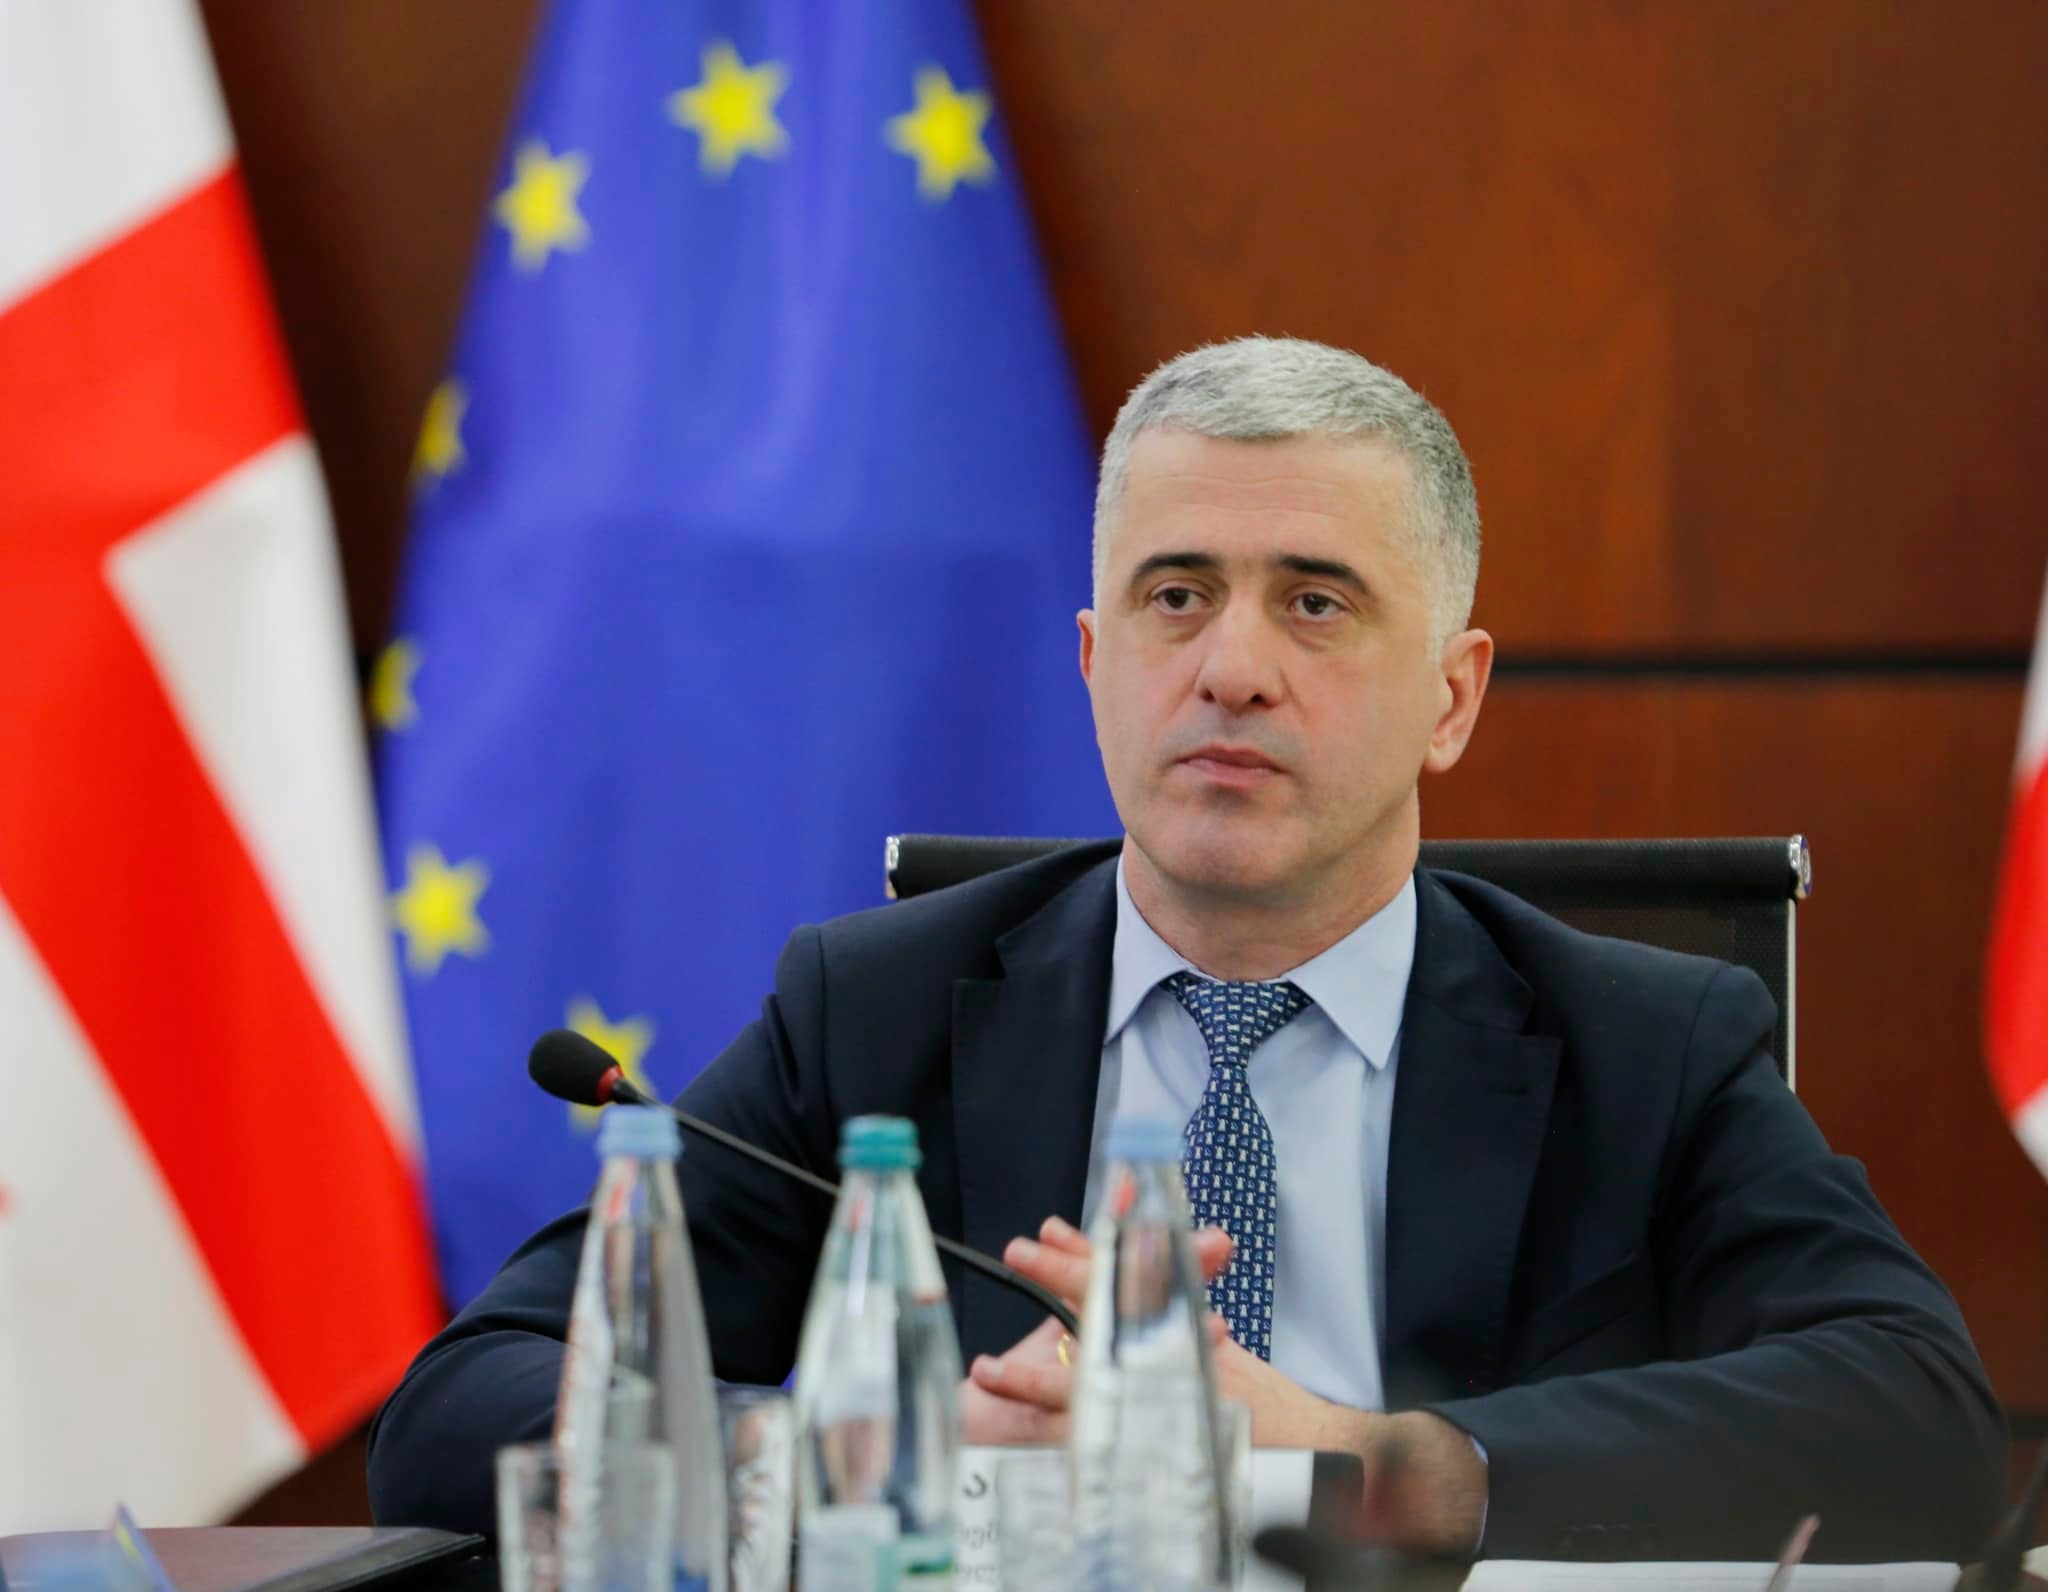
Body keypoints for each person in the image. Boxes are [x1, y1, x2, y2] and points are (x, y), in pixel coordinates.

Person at [366, 338, 2004, 1561]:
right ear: (1094, 662)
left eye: (1315, 602)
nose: (1230, 668)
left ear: (1452, 697)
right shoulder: (873, 1012)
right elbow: (461, 1406)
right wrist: (864, 1446)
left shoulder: (1642, 1043)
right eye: (1174, 596)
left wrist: (1372, 1460)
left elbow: (1920, 1417)